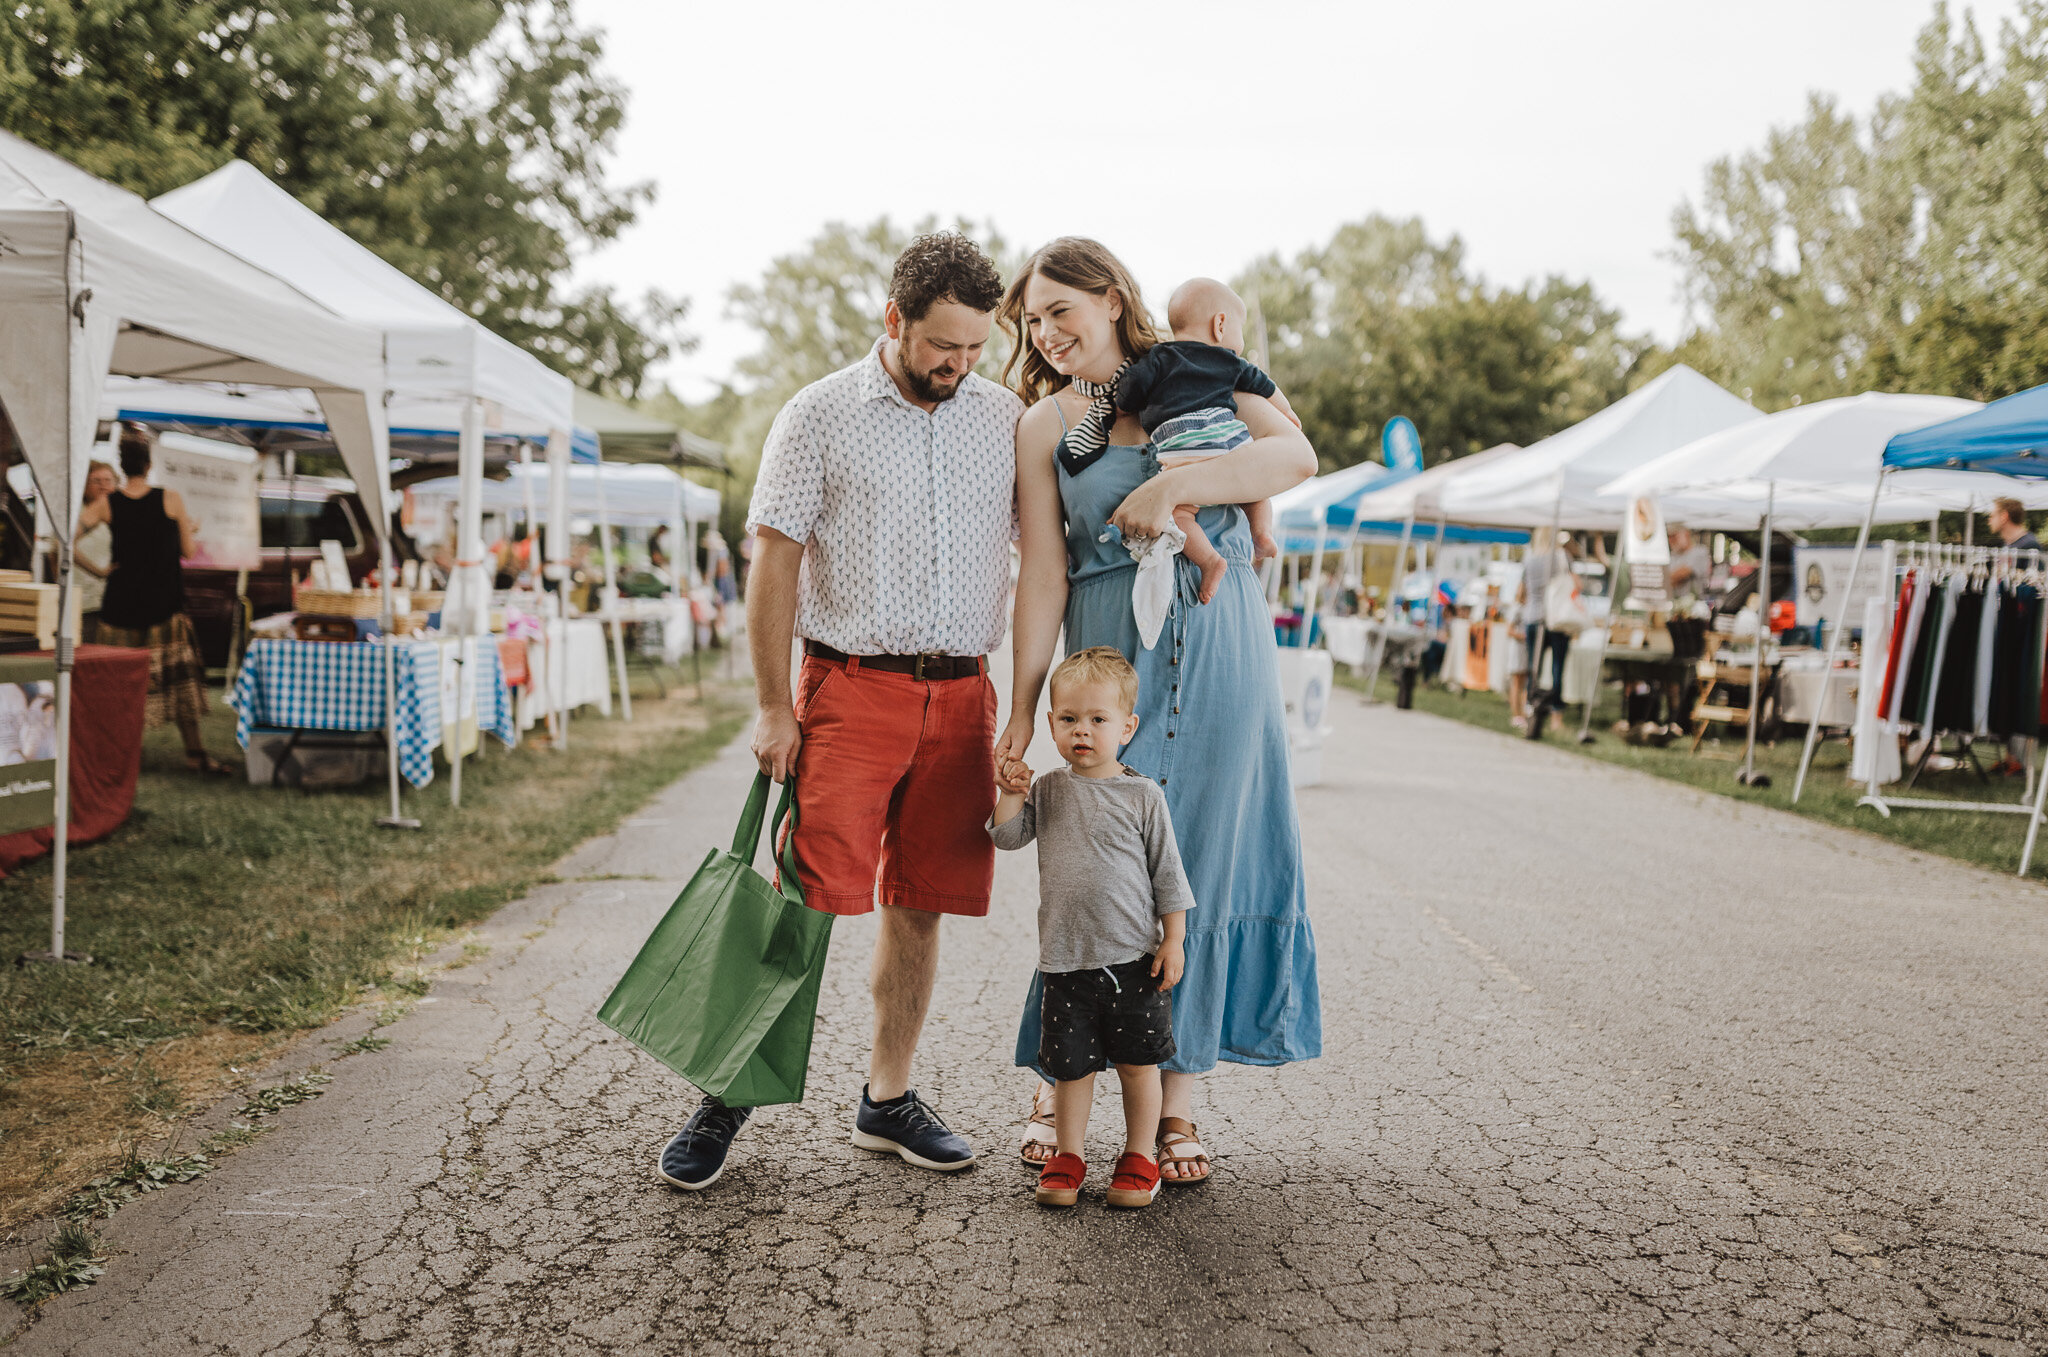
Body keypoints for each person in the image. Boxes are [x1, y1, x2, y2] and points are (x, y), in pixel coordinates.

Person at [655, 232, 1021, 1191]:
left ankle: (887, 1097)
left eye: (977, 346)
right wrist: (774, 705)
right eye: (945, 344)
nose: (960, 364)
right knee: (801, 903)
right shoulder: (816, 415)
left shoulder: (1005, 419)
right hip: (848, 686)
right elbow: (772, 559)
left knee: (923, 902)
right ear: (894, 320)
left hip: (962, 696)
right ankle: (725, 1094)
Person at [1000, 237, 1321, 1184]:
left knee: (1202, 856)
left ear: (1110, 297)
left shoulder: (1201, 374)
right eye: (1032, 321)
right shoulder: (1048, 426)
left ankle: (1176, 1101)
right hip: (1110, 646)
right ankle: (1061, 1084)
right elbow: (1045, 573)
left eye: (1062, 309)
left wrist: (1176, 481)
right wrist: (1021, 709)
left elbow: (1293, 454)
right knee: (1096, 864)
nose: (1048, 332)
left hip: (1222, 643)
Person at [990, 646, 1194, 1209]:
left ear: (1127, 727)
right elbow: (1006, 838)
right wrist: (1011, 792)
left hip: (1133, 961)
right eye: (1069, 718)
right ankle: (1070, 1155)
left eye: (1098, 720)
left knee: (1137, 1064)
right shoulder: (1050, 789)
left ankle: (1138, 1156)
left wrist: (1173, 941)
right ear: (1052, 723)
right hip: (1065, 961)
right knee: (1071, 1069)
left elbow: (1169, 878)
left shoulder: (1143, 796)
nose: (1083, 731)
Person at [1112, 278, 1293, 602]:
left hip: (1181, 451)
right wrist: (1289, 414)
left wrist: (1122, 407)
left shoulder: (1156, 358)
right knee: (1255, 488)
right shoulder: (1228, 361)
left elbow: (1130, 389)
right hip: (1227, 443)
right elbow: (1265, 387)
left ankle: (1210, 561)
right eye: (1241, 328)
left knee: (1180, 517)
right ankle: (1262, 534)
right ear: (1220, 324)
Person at [73, 425, 234, 775]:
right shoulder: (170, 499)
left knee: (116, 685)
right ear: (148, 465)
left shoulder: (106, 504)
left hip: (120, 608)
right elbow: (187, 552)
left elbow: (65, 542)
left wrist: (100, 571)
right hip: (164, 607)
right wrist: (188, 531)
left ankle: (112, 757)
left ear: (124, 465)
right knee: (180, 685)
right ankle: (195, 753)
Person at [74, 460, 118, 641]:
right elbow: (60, 550)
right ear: (84, 486)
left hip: (113, 600)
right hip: (84, 603)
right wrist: (99, 572)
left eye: (108, 481)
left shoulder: (120, 515)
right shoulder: (77, 516)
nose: (103, 486)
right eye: (96, 481)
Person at [1668, 525, 1711, 602]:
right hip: (1674, 603)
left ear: (1686, 534)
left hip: (1695, 604)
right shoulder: (1672, 555)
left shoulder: (1700, 551)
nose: (1671, 540)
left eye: (1674, 536)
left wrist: (1665, 580)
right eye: (1669, 537)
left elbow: (1682, 574)